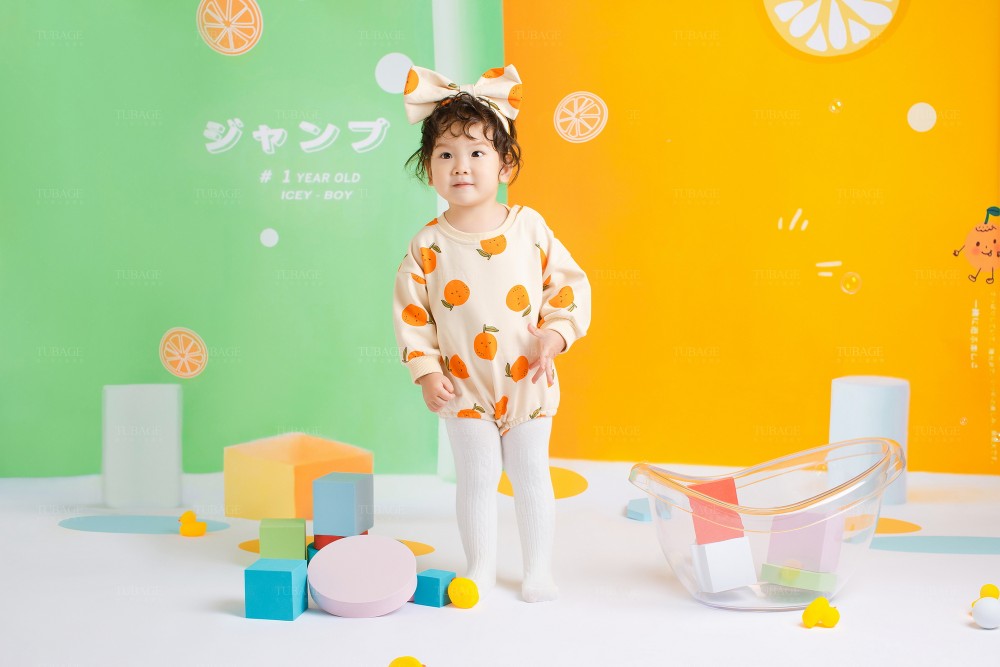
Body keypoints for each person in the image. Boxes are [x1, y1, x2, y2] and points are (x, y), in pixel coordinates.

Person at [393, 64, 591, 602]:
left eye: (477, 152)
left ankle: (537, 570)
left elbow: (568, 286)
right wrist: (425, 371)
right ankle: (480, 566)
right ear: (428, 169)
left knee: (530, 475)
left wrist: (556, 335)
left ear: (505, 164)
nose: (461, 165)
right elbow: (413, 315)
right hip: (462, 386)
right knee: (477, 479)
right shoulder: (427, 245)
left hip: (528, 377)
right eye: (445, 155)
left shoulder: (529, 227)